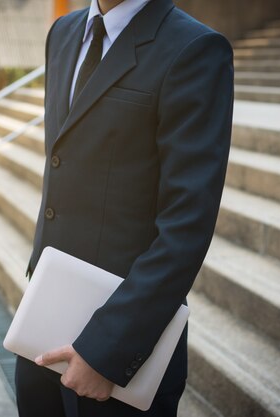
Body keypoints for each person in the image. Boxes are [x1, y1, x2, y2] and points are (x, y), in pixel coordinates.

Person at [16, 0, 234, 415]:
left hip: (118, 349)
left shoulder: (195, 49)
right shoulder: (62, 33)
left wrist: (106, 351)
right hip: (42, 325)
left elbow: (186, 227)